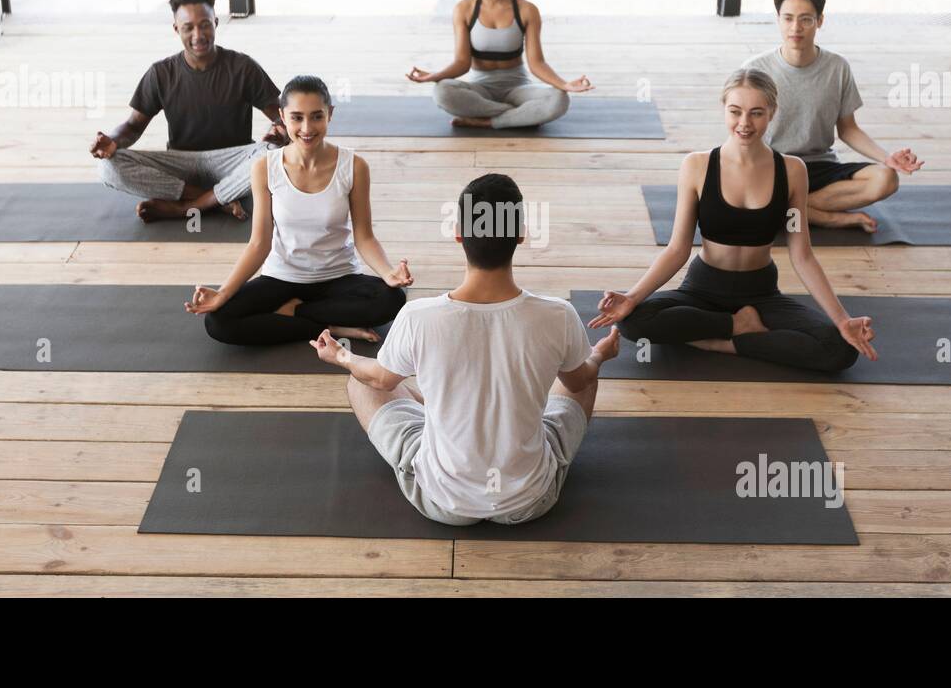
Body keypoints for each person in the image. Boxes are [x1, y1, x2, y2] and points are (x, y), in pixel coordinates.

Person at [310, 173, 621, 525]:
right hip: (529, 501)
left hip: (443, 501)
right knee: (585, 370)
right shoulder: (558, 315)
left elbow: (380, 380)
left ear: (458, 233)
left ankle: (442, 403)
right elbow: (579, 383)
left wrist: (342, 356)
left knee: (361, 380)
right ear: (520, 233)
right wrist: (600, 354)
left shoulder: (418, 316)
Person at [590, 69, 877, 373]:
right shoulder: (697, 166)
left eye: (756, 113)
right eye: (735, 111)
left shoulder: (792, 171)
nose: (744, 123)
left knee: (840, 349)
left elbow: (802, 255)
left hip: (762, 293)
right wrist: (632, 297)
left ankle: (720, 341)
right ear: (723, 108)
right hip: (702, 288)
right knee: (632, 321)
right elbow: (677, 248)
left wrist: (843, 320)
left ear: (772, 113)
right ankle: (736, 326)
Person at [184, 75, 410, 345]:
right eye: (296, 117)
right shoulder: (265, 168)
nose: (306, 128)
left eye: (316, 116)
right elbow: (258, 244)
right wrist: (222, 294)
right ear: (281, 116)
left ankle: (295, 313)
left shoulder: (354, 166)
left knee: (392, 300)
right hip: (283, 276)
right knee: (218, 322)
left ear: (330, 114)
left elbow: (365, 237)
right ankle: (329, 326)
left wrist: (387, 272)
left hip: (337, 276)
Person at [90, 0, 286, 223]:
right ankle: (214, 198)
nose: (198, 35)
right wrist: (112, 141)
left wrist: (279, 131)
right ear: (176, 29)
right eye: (188, 27)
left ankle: (188, 207)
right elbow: (132, 126)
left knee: (275, 154)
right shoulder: (161, 73)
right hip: (182, 164)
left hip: (232, 162)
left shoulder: (243, 67)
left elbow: (282, 117)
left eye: (204, 24)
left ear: (215, 22)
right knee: (107, 167)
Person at [742, 0, 924, 232]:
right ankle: (827, 217)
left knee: (886, 179)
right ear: (778, 20)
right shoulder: (754, 70)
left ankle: (788, 210)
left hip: (819, 166)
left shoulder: (837, 68)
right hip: (772, 167)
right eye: (788, 18)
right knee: (741, 189)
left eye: (806, 19)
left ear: (820, 21)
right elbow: (741, 131)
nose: (796, 27)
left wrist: (887, 158)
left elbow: (848, 129)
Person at [406, 0, 593, 129]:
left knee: (560, 99)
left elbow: (537, 63)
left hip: (518, 88)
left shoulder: (527, 10)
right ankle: (518, 115)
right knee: (442, 92)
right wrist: (434, 76)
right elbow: (461, 62)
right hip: (479, 89)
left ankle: (489, 121)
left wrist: (564, 84)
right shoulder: (464, 9)